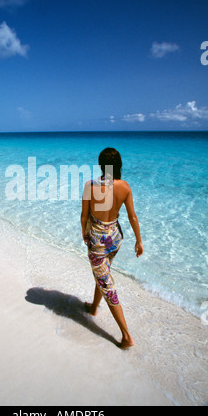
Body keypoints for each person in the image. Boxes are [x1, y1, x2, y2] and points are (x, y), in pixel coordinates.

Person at [81, 147, 144, 349]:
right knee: (103, 275)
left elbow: (84, 216)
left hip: (98, 243)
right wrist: (139, 240)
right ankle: (93, 307)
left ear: (101, 165)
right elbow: (132, 217)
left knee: (107, 285)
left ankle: (126, 336)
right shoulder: (125, 186)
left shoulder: (90, 186)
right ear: (119, 166)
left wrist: (84, 233)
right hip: (115, 239)